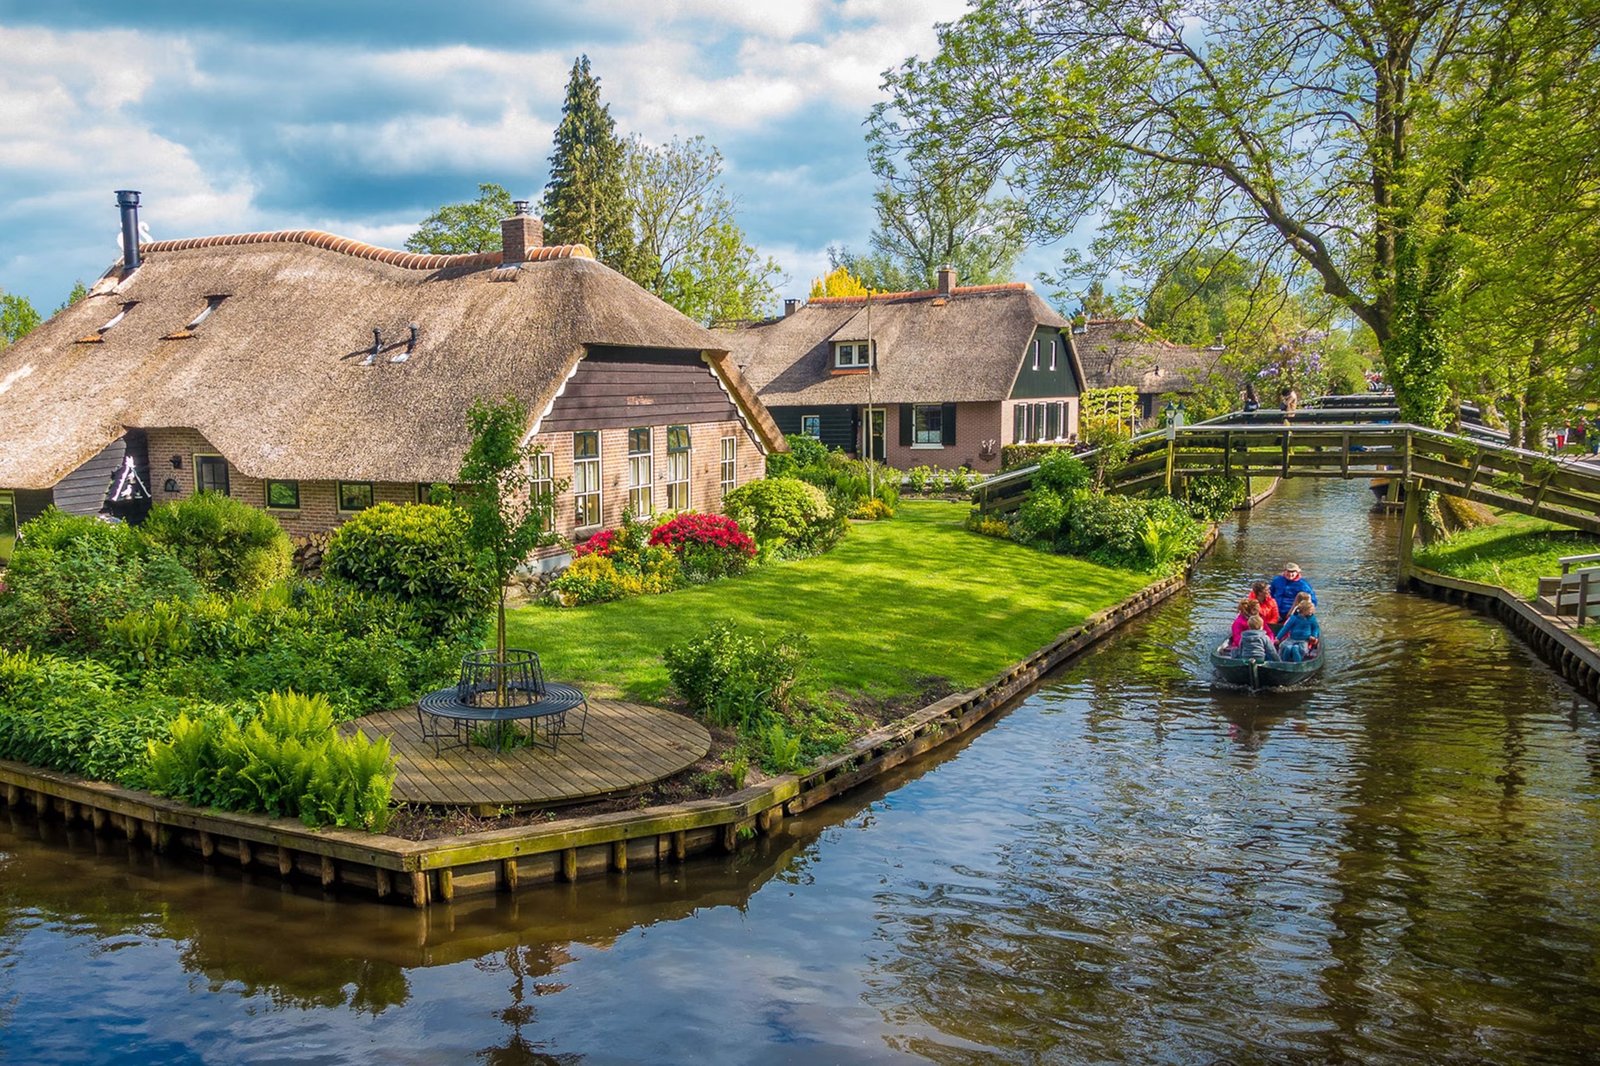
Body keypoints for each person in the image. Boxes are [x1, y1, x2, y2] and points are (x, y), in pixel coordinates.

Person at [1277, 592, 1320, 662]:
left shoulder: (1312, 619)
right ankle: (1284, 662)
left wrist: (1314, 636)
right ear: (1303, 611)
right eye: (1310, 611)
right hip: (1292, 638)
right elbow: (1285, 628)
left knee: (1297, 648)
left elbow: (1315, 628)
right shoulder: (1294, 618)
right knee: (1287, 648)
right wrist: (1278, 638)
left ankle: (1298, 663)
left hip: (1303, 640)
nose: (1311, 612)